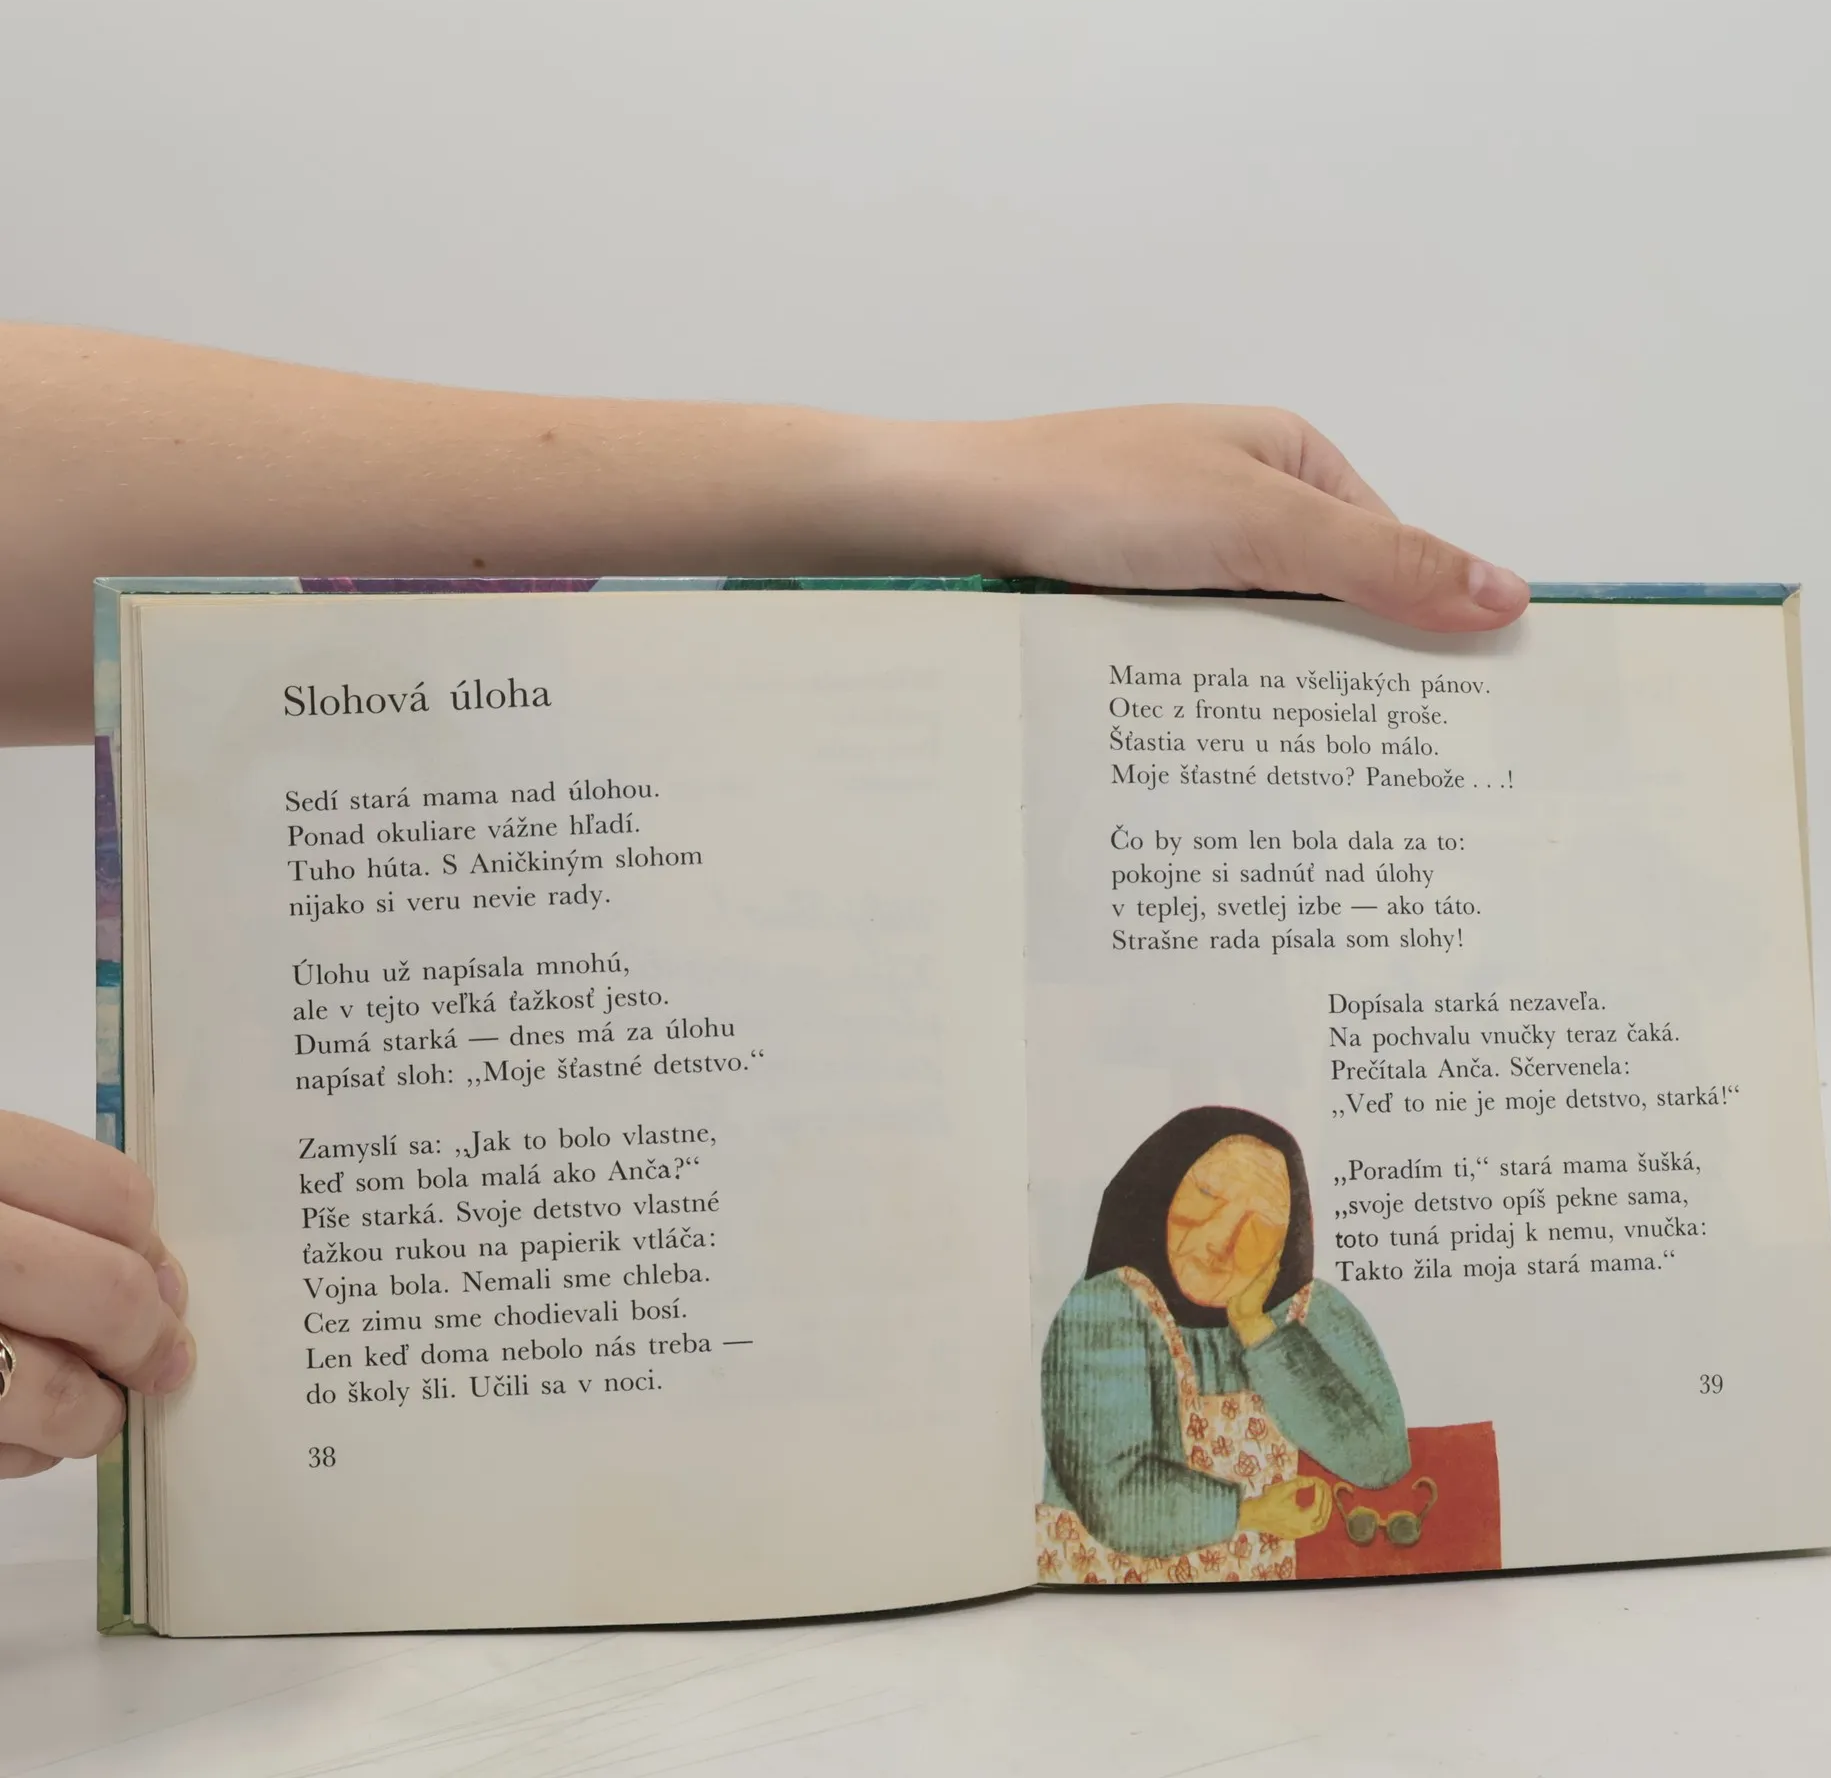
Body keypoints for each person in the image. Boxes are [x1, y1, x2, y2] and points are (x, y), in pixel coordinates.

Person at [0, 322, 1526, 1484]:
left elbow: (1376, 1453)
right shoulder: (1101, 1321)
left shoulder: (1288, 1317)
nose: (1231, 1233)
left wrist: (946, 489)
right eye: (1206, 1200)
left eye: (1259, 1213)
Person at [1037, 1107, 1407, 1584]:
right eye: (1208, 1194)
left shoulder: (1313, 1312)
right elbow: (1114, 1497)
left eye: (1261, 1222)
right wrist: (1251, 1514)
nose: (1220, 1239)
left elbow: (1383, 1460)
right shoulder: (1105, 1309)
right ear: (1164, 1185)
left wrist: (1258, 1331)